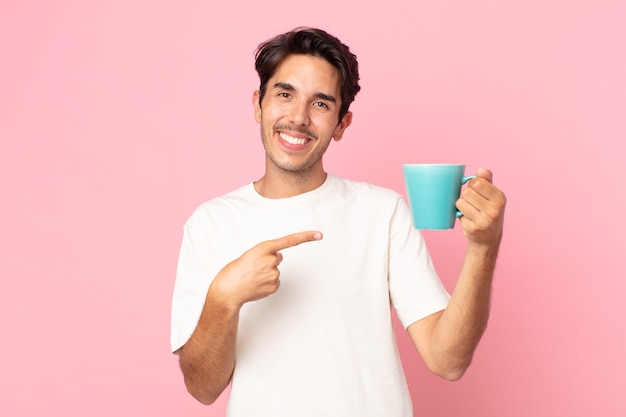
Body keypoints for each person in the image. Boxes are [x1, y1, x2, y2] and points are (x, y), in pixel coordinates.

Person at [170, 27, 506, 417]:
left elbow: (448, 361)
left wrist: (484, 246)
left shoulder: (384, 212)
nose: (298, 117)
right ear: (258, 105)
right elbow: (203, 389)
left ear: (342, 124)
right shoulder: (210, 223)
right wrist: (224, 297)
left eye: (321, 104)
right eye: (284, 94)